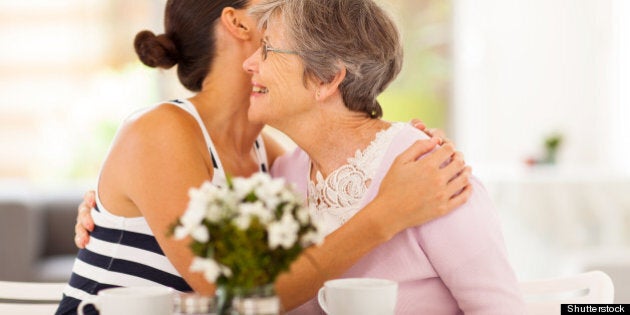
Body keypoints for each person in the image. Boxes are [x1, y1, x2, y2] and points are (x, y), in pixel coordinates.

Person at [56, 0, 471, 314]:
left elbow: (331, 209)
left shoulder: (268, 156)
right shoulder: (159, 131)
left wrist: (404, 147)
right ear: (238, 22)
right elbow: (233, 292)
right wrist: (389, 211)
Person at [239, 0, 526, 313]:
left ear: (326, 78)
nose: (249, 64)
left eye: (267, 48)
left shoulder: (432, 172)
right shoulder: (283, 176)